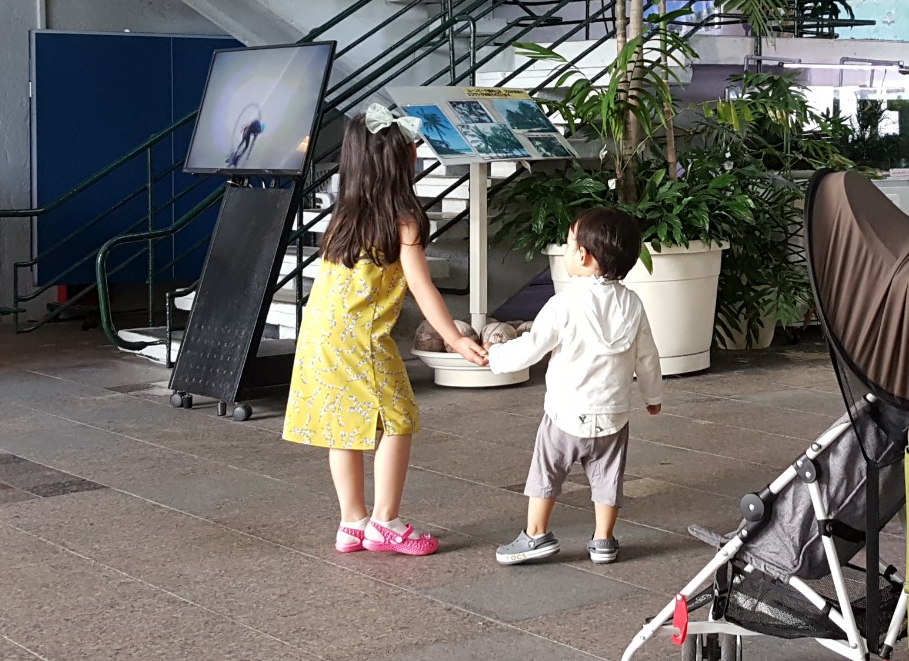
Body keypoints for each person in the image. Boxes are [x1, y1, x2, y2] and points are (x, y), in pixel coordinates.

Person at [281, 105, 487, 557]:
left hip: (319, 338)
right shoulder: (402, 220)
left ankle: (352, 522)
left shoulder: (343, 218)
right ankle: (385, 523)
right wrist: (455, 338)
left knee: (343, 427)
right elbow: (421, 287)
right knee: (398, 421)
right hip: (361, 341)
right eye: (411, 145)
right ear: (401, 160)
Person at [489, 207, 663, 566]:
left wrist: (495, 357)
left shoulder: (563, 304)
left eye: (569, 245)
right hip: (613, 414)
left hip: (564, 414)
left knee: (547, 471)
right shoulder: (632, 303)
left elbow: (533, 347)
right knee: (608, 478)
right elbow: (647, 356)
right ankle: (603, 540)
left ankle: (536, 535)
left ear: (582, 255)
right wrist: (652, 396)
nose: (567, 251)